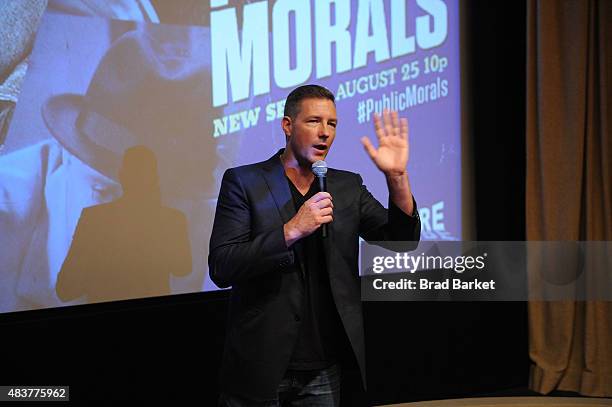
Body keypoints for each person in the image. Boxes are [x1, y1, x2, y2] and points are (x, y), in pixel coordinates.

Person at [208, 84, 421, 406]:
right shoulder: (244, 182)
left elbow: (401, 243)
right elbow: (223, 267)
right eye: (313, 122)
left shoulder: (347, 186)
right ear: (287, 125)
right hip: (261, 364)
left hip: (325, 367)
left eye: (332, 124)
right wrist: (291, 231)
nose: (324, 133)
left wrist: (397, 177)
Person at [56, 145, 192, 303]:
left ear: (121, 176)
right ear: (156, 179)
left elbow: (65, 289)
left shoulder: (94, 219)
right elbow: (183, 269)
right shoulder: (173, 220)